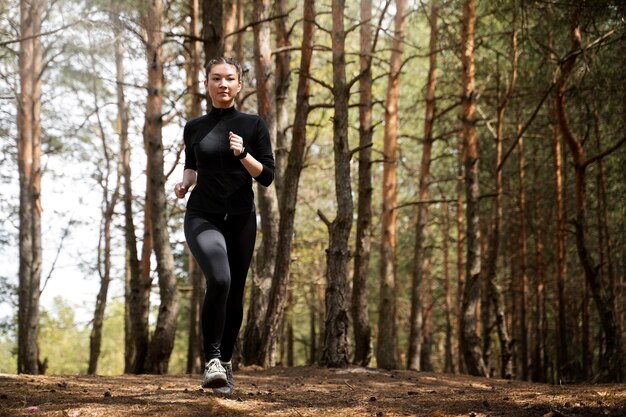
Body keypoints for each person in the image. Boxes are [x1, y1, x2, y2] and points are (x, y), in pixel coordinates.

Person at [174, 56, 275, 396]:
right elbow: (192, 165)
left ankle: (227, 363)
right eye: (216, 78)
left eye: (229, 78)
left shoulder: (253, 125)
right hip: (203, 215)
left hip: (242, 218)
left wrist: (243, 153)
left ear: (239, 84)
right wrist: (185, 183)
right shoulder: (194, 127)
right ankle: (213, 361)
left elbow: (267, 177)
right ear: (207, 84)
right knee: (220, 278)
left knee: (235, 292)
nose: (223, 84)